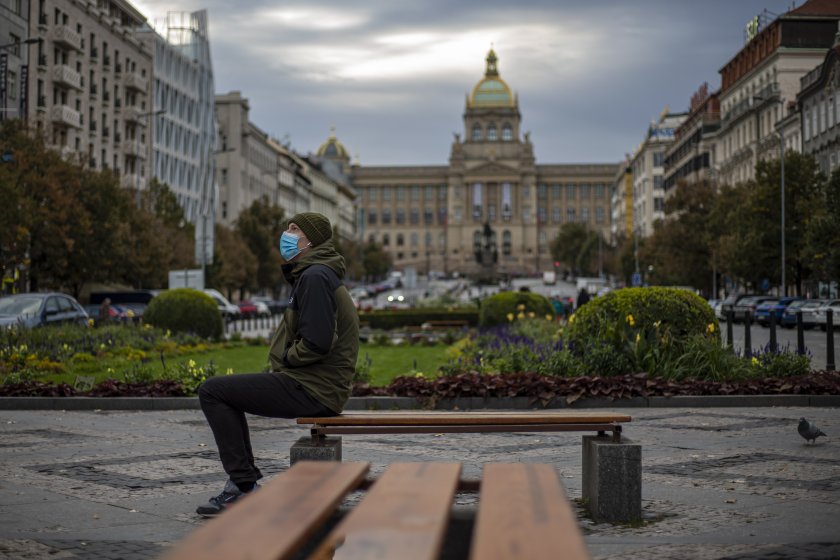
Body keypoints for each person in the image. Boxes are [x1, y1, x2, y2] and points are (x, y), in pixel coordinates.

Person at [195, 212, 360, 516]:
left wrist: (286, 358)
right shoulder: (318, 274)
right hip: (318, 386)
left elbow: (318, 342)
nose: (286, 234)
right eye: (287, 228)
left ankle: (243, 488)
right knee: (225, 393)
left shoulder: (314, 276)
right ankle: (241, 485)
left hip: (314, 388)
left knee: (213, 391)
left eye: (294, 229)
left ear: (310, 240)